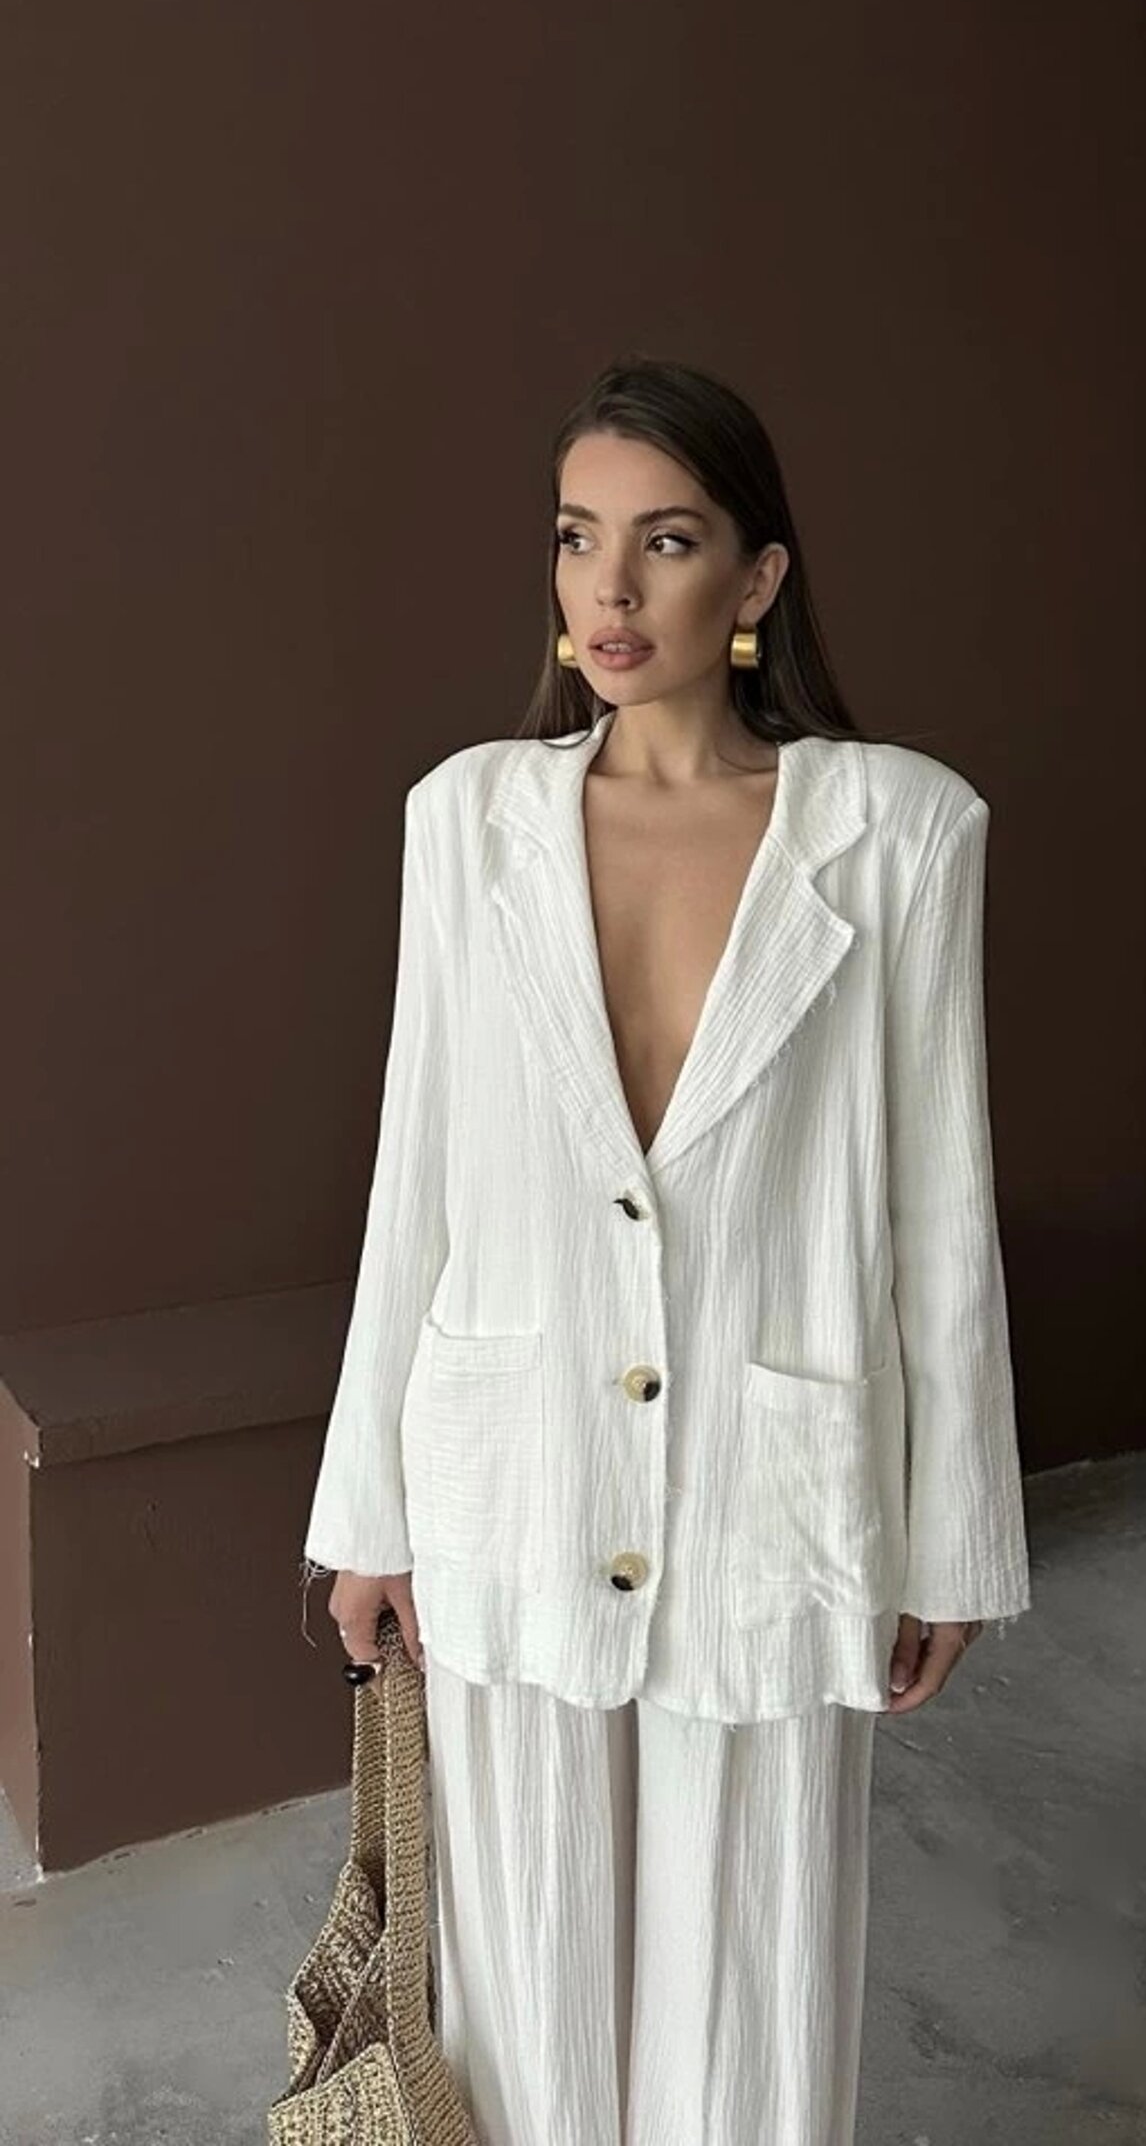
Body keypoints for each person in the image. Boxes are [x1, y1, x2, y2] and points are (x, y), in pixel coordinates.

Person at [300, 351, 1032, 2144]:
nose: (610, 589)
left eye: (668, 540)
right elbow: (416, 1176)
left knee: (753, 2006)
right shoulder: (466, 819)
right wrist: (366, 1511)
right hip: (511, 1472)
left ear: (759, 576)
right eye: (577, 538)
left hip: (776, 1492)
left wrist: (952, 1532)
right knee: (519, 1984)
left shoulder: (900, 832)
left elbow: (940, 1210)